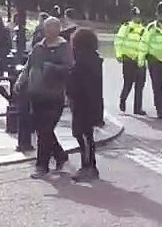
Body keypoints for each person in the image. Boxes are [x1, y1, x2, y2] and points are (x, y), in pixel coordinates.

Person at [19, 16, 72, 177]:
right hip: (37, 93)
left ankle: (42, 166)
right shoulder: (38, 47)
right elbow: (28, 66)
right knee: (42, 129)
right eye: (46, 28)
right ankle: (60, 155)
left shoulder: (64, 47)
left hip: (54, 94)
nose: (48, 31)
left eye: (52, 28)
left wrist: (51, 68)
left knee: (45, 129)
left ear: (58, 29)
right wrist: (21, 80)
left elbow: (69, 67)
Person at [68, 27, 104, 180]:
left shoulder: (85, 62)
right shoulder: (90, 59)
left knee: (83, 134)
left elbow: (80, 83)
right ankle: (88, 165)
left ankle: (89, 166)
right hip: (87, 103)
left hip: (84, 103)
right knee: (83, 134)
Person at [115, 6, 148, 115]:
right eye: (135, 16)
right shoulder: (126, 27)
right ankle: (123, 100)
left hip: (140, 61)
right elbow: (118, 41)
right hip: (128, 59)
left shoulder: (144, 29)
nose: (138, 18)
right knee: (128, 83)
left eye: (139, 16)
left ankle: (137, 108)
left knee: (140, 85)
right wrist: (119, 54)